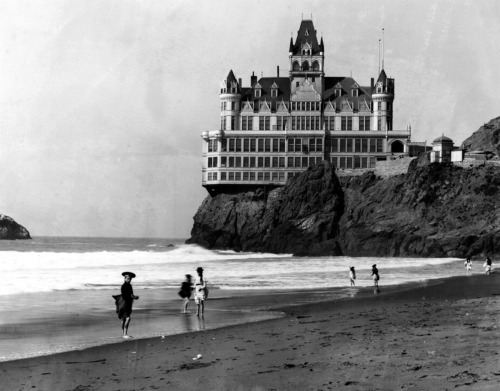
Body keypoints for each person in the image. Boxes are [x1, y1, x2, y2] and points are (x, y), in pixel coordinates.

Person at [119, 271, 139, 338]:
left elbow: (131, 295)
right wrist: (132, 297)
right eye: (128, 278)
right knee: (127, 318)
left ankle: (124, 334)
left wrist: (134, 297)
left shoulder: (130, 286)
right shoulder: (123, 286)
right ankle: (124, 334)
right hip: (124, 304)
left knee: (124, 319)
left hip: (129, 304)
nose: (129, 280)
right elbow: (125, 296)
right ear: (124, 278)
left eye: (130, 278)